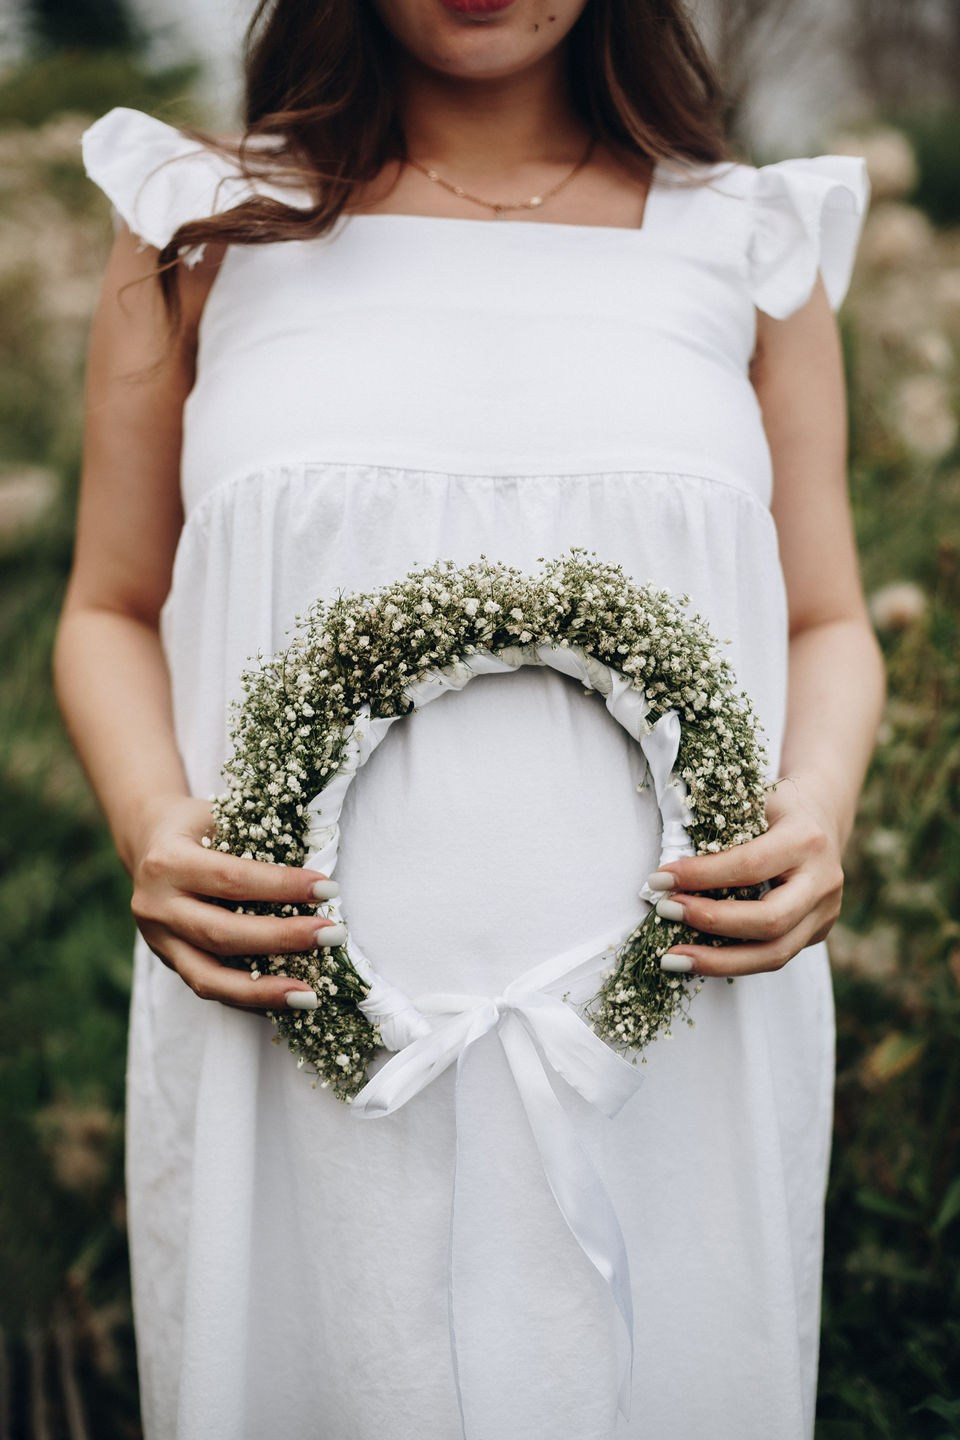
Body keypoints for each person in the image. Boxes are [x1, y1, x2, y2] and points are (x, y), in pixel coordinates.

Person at [54, 0, 885, 1436]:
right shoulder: (202, 225)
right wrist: (156, 822)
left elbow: (827, 617)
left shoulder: (747, 246)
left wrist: (816, 811)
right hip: (287, 1019)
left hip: (679, 1032)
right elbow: (108, 603)